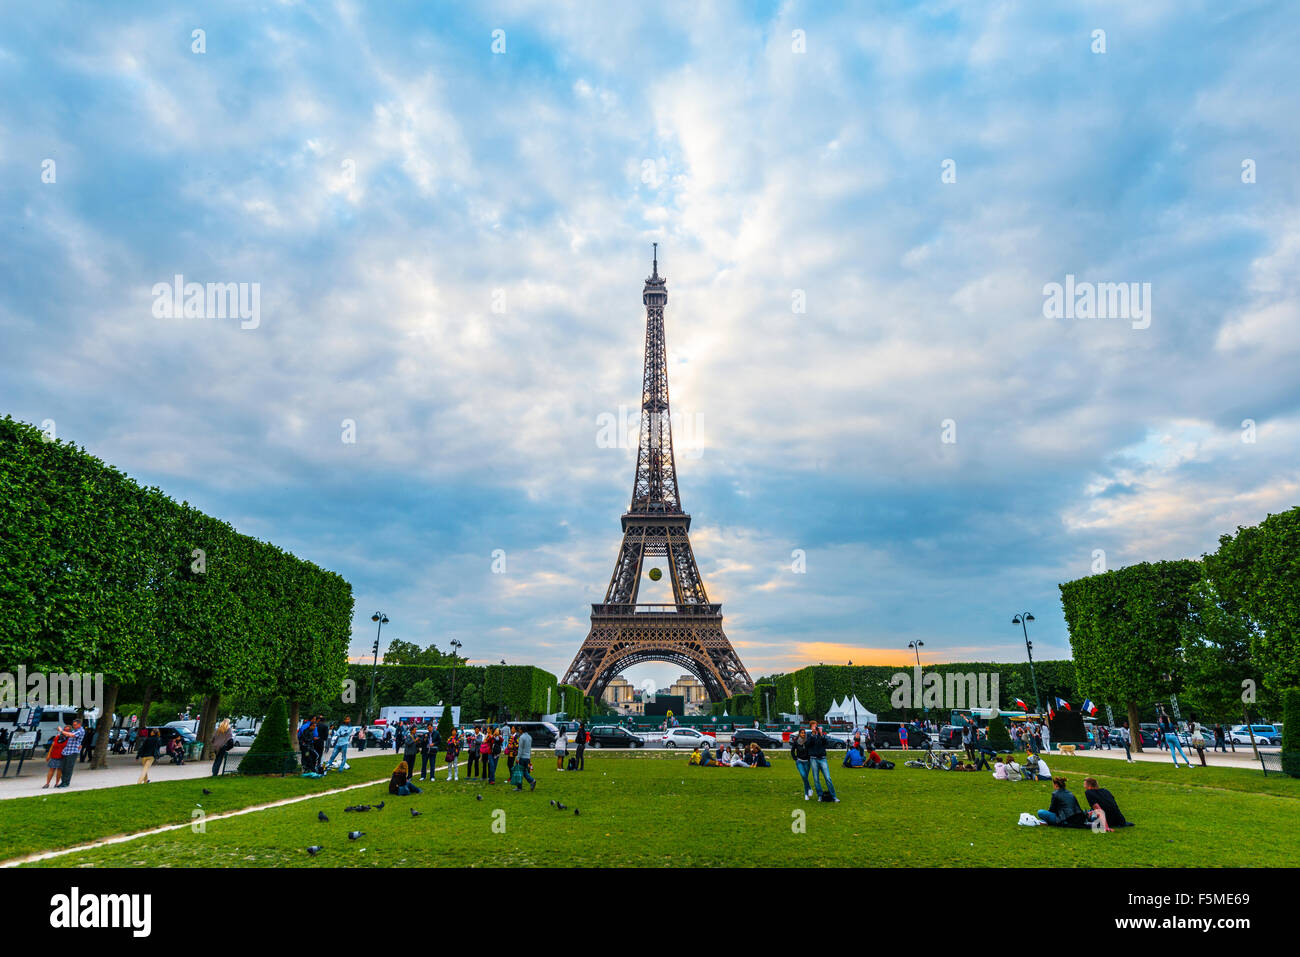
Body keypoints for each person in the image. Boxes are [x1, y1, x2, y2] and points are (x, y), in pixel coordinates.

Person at [807, 722, 839, 802]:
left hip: (822, 758)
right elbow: (808, 744)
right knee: (816, 779)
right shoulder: (809, 735)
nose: (815, 728)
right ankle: (820, 795)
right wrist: (813, 735)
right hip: (813, 759)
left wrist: (821, 734)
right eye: (813, 726)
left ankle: (833, 796)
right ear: (811, 727)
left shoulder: (821, 735)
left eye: (816, 726)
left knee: (828, 778)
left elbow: (826, 743)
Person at [55, 720, 85, 788]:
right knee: (63, 768)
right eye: (73, 724)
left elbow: (71, 735)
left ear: (79, 724)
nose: (73, 726)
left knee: (68, 768)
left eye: (75, 725)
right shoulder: (75, 730)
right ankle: (63, 782)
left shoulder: (81, 730)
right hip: (66, 751)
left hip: (72, 752)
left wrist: (62, 731)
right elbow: (67, 735)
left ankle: (66, 783)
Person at [790, 730, 814, 799]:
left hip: (807, 762)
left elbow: (811, 749)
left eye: (804, 733)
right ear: (799, 734)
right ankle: (809, 789)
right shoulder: (796, 741)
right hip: (799, 761)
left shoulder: (807, 741)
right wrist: (795, 758)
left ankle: (806, 794)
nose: (803, 734)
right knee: (803, 776)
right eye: (802, 733)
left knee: (805, 777)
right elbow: (792, 750)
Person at [514, 727, 536, 791]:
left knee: (520, 772)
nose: (519, 730)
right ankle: (531, 781)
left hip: (522, 757)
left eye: (519, 729)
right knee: (524, 771)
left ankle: (520, 787)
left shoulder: (522, 737)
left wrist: (518, 758)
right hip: (527, 757)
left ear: (521, 730)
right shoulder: (530, 737)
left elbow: (520, 749)